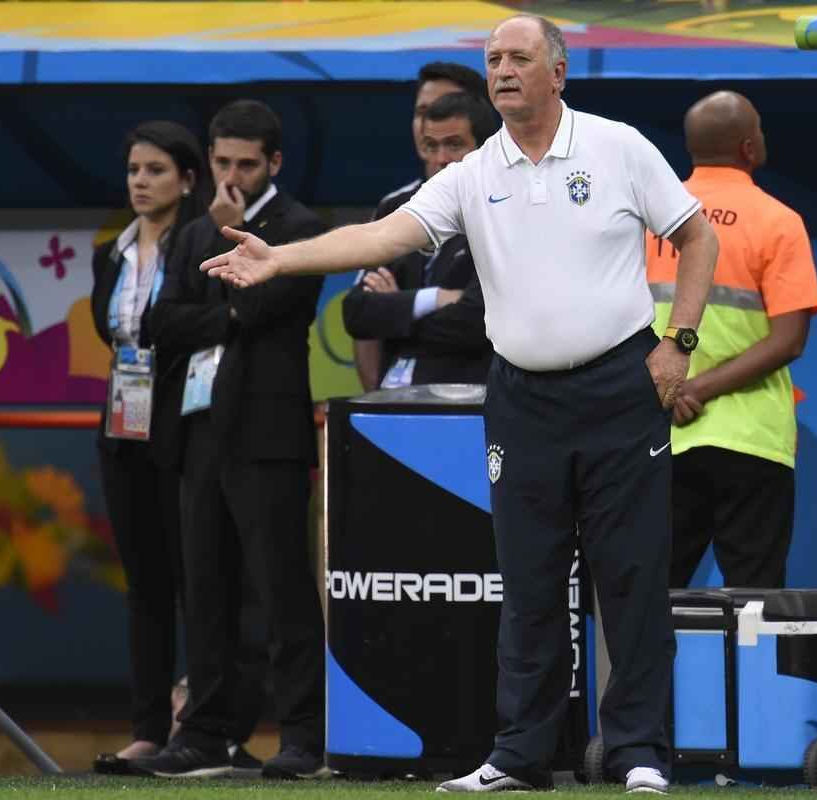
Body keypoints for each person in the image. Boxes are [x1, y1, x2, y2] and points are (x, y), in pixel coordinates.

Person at [200, 15, 720, 795]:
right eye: (493, 60)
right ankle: (519, 756)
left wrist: (678, 341)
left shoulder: (617, 147)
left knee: (632, 576)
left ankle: (639, 750)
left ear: (558, 70)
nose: (503, 71)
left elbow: (697, 238)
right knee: (530, 581)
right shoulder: (475, 173)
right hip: (521, 397)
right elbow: (381, 238)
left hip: (620, 389)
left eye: (518, 58)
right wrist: (279, 257)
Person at [130, 99, 328, 780]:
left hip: (267, 432)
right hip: (198, 428)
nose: (233, 176)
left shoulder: (299, 227)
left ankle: (303, 734)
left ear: (274, 162)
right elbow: (162, 322)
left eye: (247, 163)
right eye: (222, 163)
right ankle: (205, 731)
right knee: (205, 588)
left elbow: (265, 304)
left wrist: (233, 239)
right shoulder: (192, 232)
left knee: (280, 590)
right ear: (208, 159)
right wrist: (223, 309)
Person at [645, 91, 817, 590]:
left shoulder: (652, 219)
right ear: (749, 147)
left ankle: (649, 675)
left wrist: (674, 390)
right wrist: (699, 390)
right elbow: (789, 340)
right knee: (755, 600)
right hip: (751, 440)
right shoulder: (779, 222)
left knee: (653, 597)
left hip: (662, 434)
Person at [88, 120, 211, 775]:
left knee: (197, 578)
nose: (141, 181)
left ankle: (200, 721)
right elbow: (112, 334)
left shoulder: (199, 244)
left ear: (187, 180)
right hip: (121, 424)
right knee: (145, 585)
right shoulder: (110, 252)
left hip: (184, 425)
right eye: (135, 169)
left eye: (157, 170)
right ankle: (146, 725)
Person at [342, 91, 498, 387]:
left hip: (463, 402)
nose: (440, 159)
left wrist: (394, 310)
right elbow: (356, 312)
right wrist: (435, 299)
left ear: (483, 149)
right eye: (431, 146)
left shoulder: (500, 213)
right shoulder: (398, 208)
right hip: (394, 403)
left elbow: (476, 321)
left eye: (453, 145)